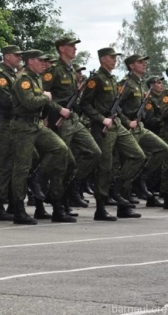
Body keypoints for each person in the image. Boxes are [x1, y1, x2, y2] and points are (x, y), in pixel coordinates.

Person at [79, 47, 146, 220]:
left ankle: (118, 191)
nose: (114, 60)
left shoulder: (112, 79)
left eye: (115, 57)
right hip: (103, 127)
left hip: (117, 124)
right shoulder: (96, 79)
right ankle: (100, 208)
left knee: (137, 156)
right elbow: (84, 104)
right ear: (102, 59)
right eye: (111, 57)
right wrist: (101, 119)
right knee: (105, 167)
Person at [10, 49, 73, 224]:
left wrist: (46, 100)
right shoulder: (23, 80)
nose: (44, 63)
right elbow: (29, 102)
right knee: (21, 168)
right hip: (23, 126)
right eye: (40, 60)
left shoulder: (36, 78)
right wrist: (45, 98)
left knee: (60, 148)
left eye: (45, 61)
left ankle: (37, 176)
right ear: (31, 61)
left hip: (36, 124)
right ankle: (18, 210)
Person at [41, 37, 101, 210]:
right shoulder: (54, 70)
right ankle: (58, 202)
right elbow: (42, 94)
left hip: (73, 119)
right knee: (61, 163)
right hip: (60, 120)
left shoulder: (71, 70)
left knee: (94, 152)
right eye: (71, 46)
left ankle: (71, 188)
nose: (75, 49)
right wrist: (59, 109)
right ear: (61, 49)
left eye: (75, 46)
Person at [117, 55, 168, 207]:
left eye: (144, 62)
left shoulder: (139, 84)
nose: (144, 64)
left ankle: (141, 179)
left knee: (162, 149)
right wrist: (127, 122)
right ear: (131, 66)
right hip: (127, 128)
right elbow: (114, 106)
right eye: (140, 62)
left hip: (140, 127)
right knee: (131, 160)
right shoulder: (125, 83)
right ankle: (123, 199)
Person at [0, 45, 23, 221]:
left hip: (11, 123)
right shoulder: (0, 76)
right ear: (7, 57)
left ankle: (4, 203)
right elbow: (7, 100)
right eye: (16, 56)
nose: (19, 58)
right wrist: (27, 101)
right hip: (1, 123)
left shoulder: (13, 74)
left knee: (12, 164)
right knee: (3, 165)